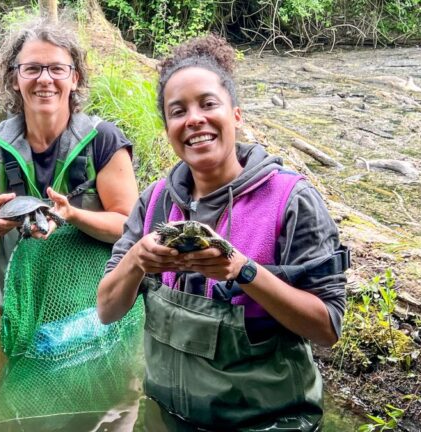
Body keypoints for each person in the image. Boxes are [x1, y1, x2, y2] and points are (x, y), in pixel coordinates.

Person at [97, 35, 349, 431]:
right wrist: (136, 261)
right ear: (168, 129)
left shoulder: (291, 200)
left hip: (268, 424)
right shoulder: (155, 202)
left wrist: (243, 271)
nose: (194, 119)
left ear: (236, 115)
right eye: (178, 111)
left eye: (208, 104)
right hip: (167, 418)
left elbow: (328, 327)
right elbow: (107, 310)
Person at [0, 17, 138, 311]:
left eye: (57, 68)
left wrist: (72, 215)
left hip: (91, 309)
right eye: (32, 69)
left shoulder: (104, 140)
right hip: (17, 307)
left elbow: (130, 228)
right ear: (14, 79)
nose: (45, 79)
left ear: (74, 78)